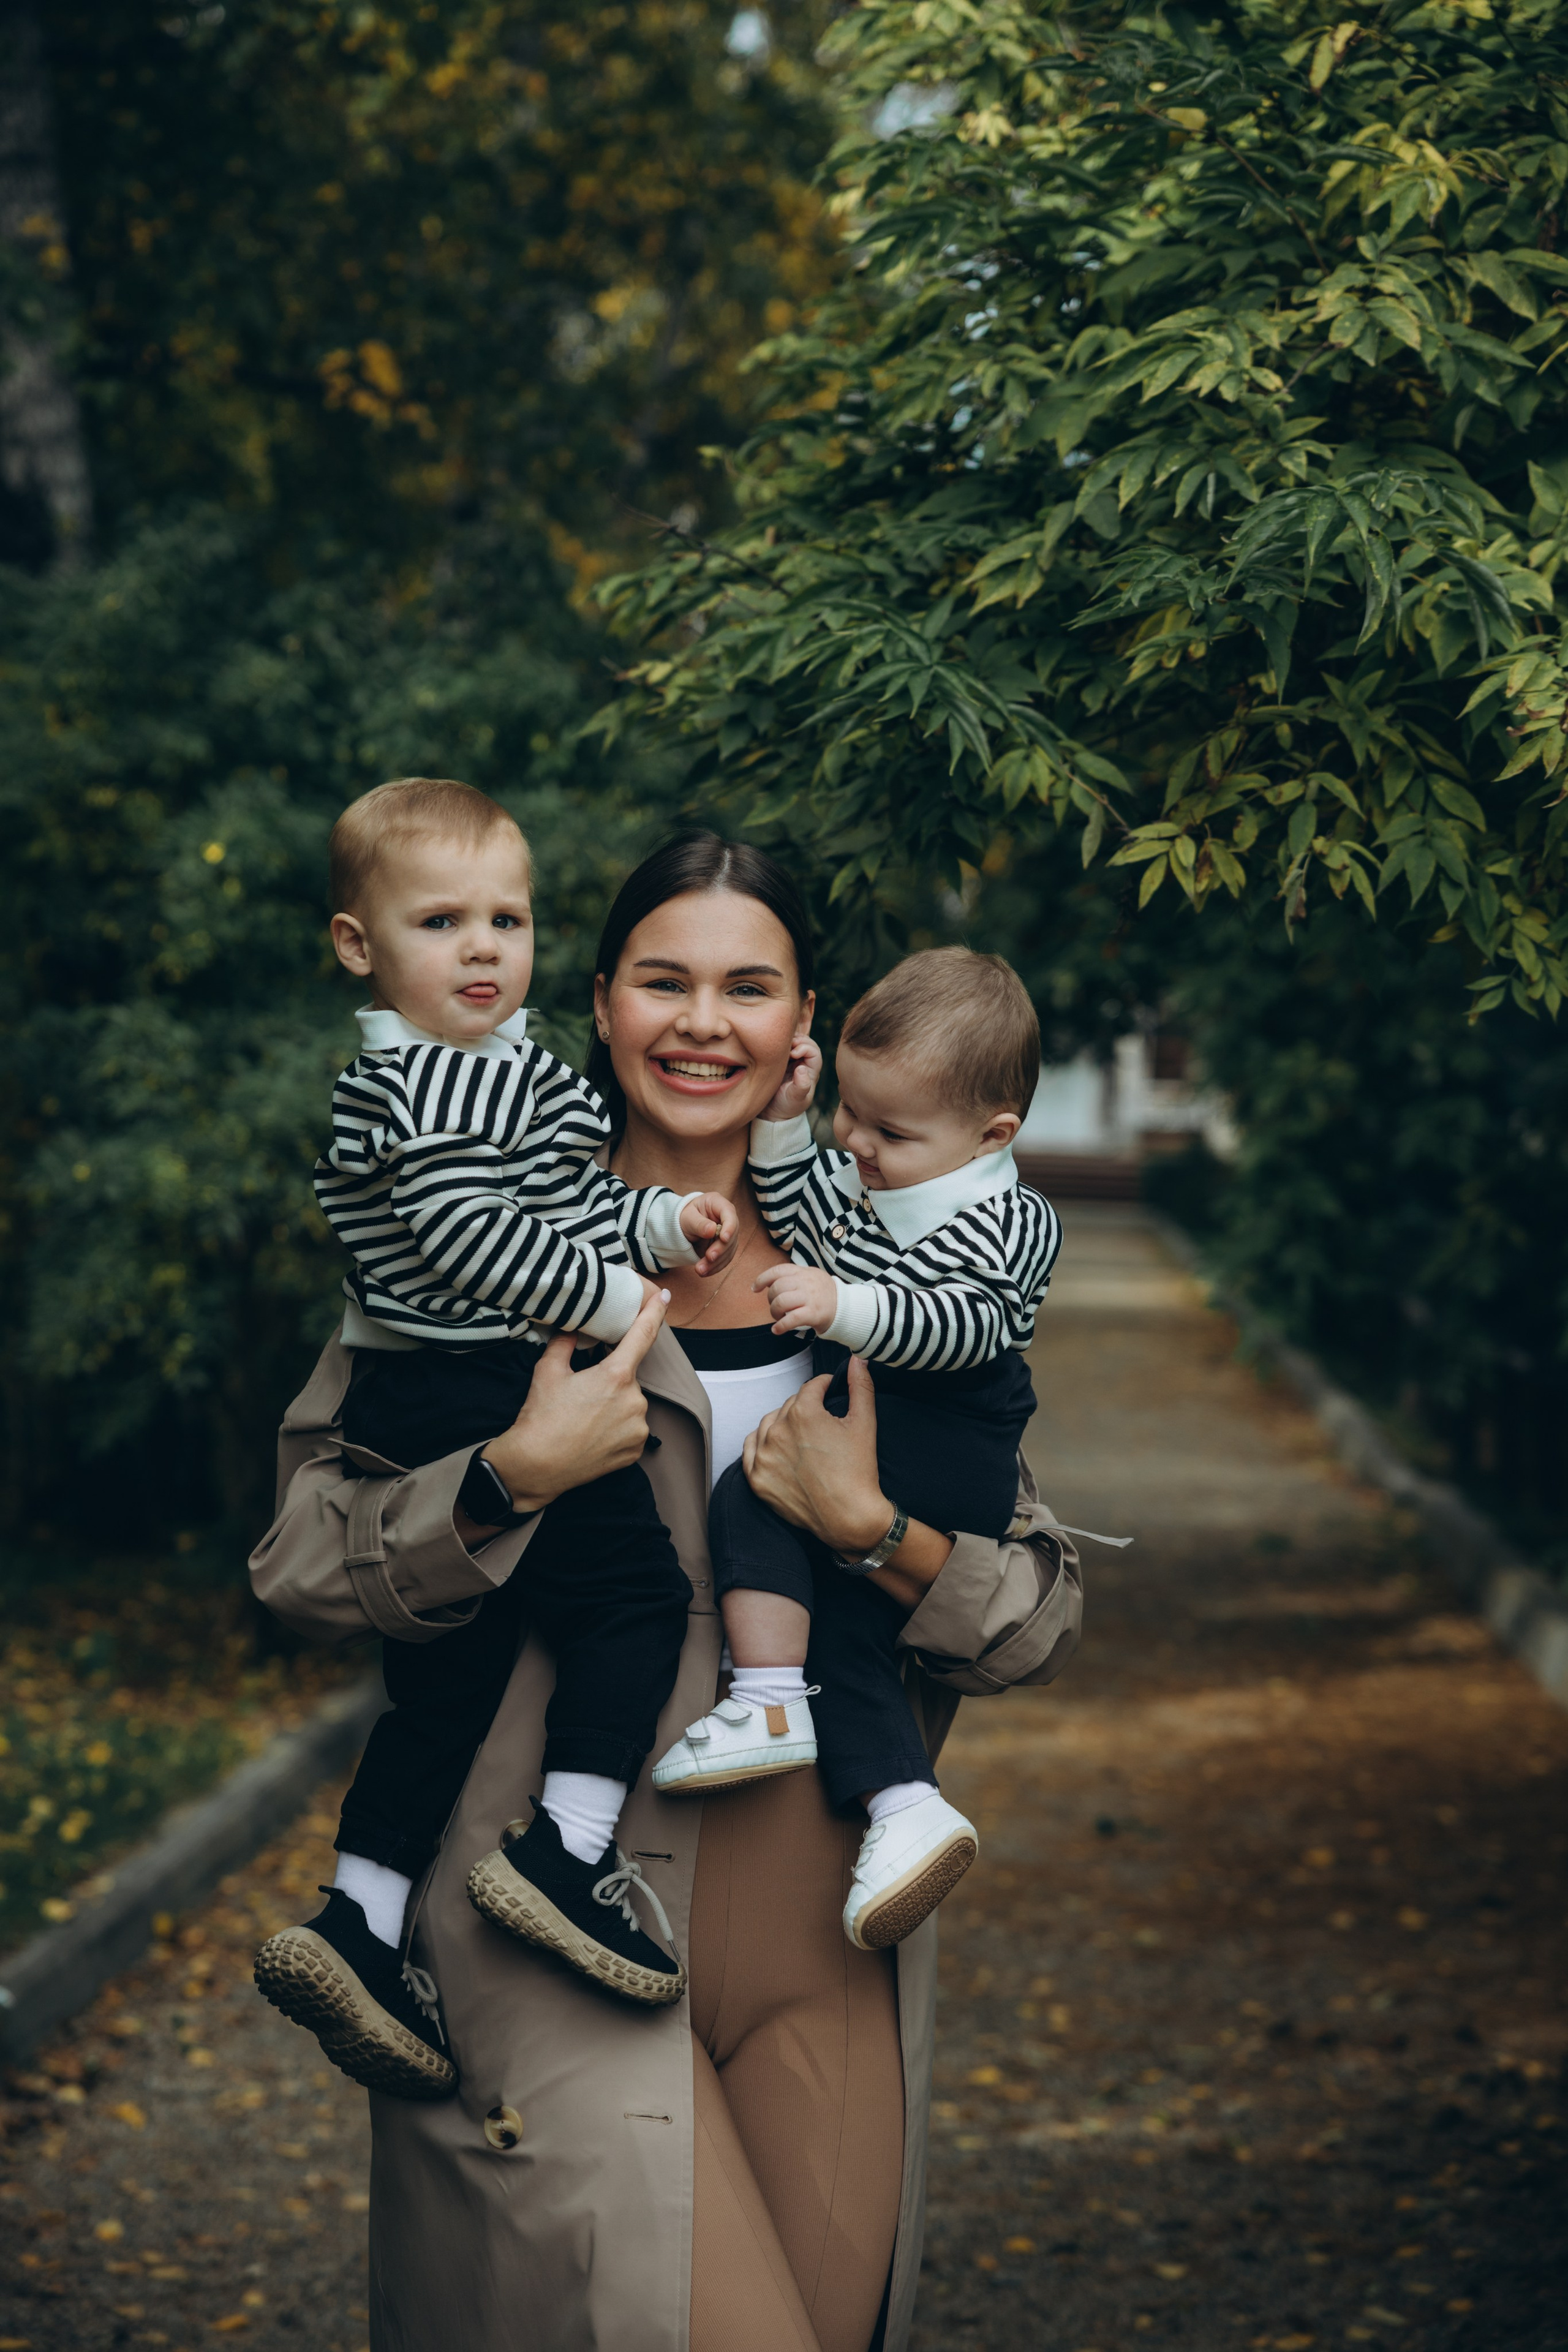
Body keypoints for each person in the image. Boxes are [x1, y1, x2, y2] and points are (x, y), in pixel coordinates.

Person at [249, 832, 1084, 2352]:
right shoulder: (470, 1245)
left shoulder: (890, 1263)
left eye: (747, 987)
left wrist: (871, 1527)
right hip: (547, 1930)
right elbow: (302, 1566)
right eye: (664, 982)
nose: (704, 1022)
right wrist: (509, 1474)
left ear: (800, 1028)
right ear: (599, 1002)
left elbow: (1028, 1614)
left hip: (830, 1940)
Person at [255, 778, 742, 2097]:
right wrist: (617, 1299)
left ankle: (359, 1915)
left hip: (455, 1382)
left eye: (508, 918)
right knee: (639, 1597)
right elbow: (478, 1239)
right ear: (359, 945)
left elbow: (563, 1196)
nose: (483, 946)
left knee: (447, 1687)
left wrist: (650, 1227)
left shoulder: (492, 1072)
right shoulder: (425, 1084)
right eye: (442, 919)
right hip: (465, 1391)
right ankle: (564, 1852)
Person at [653, 948, 1061, 1959]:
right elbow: (808, 1209)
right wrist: (788, 1123)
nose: (859, 1145)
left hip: (945, 1426)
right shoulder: (873, 1177)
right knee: (843, 1624)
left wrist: (849, 1306)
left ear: (992, 1135)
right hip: (885, 1411)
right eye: (850, 1112)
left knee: (759, 1494)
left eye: (890, 1132)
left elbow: (968, 1324)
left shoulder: (1009, 1219)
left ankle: (766, 1701)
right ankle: (902, 1807)